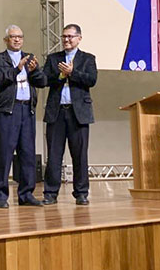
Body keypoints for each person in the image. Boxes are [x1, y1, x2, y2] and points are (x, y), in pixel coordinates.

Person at [0, 25, 46, 208]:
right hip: (7, 111)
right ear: (6, 40)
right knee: (4, 153)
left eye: (20, 37)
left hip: (26, 110)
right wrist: (17, 68)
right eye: (13, 37)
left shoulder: (29, 57)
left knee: (27, 153)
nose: (17, 40)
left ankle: (26, 194)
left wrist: (35, 69)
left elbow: (42, 82)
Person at [42, 24, 97, 206]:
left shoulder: (87, 58)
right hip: (57, 112)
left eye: (70, 37)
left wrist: (72, 73)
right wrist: (60, 75)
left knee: (80, 155)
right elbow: (44, 80)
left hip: (78, 113)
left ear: (79, 38)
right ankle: (50, 193)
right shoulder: (53, 58)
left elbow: (91, 80)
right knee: (54, 155)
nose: (66, 40)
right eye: (64, 36)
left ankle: (81, 193)